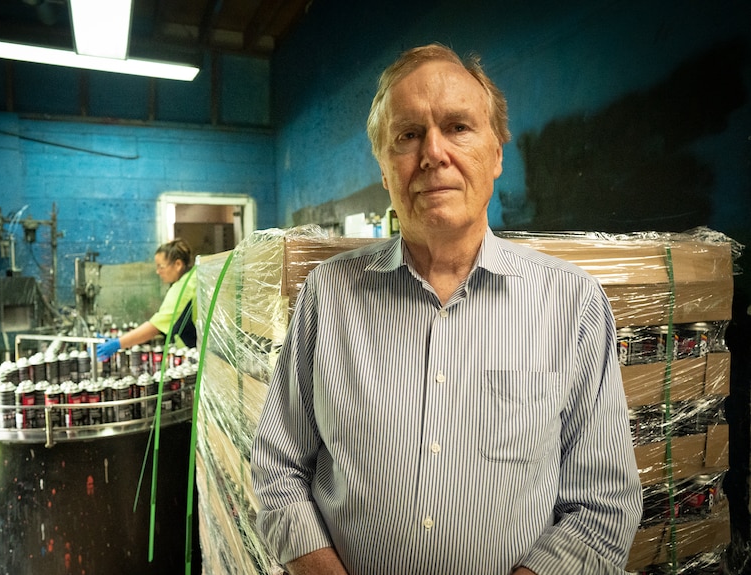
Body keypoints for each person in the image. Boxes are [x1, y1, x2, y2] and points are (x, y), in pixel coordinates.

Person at [250, 43, 643, 575]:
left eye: (458, 127)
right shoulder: (329, 295)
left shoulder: (571, 304)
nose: (433, 153)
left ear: (498, 153)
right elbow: (278, 468)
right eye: (407, 135)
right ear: (385, 168)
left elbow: (602, 506)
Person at [96, 238, 197, 361]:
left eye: (161, 266)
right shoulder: (195, 276)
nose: (158, 271)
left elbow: (156, 326)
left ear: (178, 264)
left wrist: (118, 343)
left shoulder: (185, 286)